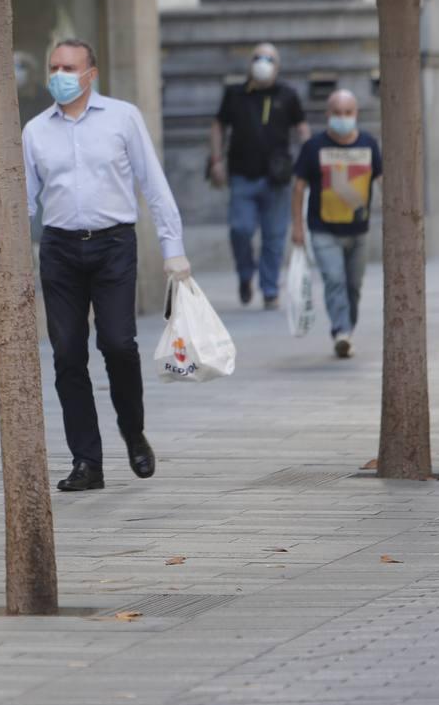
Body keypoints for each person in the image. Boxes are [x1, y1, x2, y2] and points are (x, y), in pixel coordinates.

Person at [24, 39, 191, 493]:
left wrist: (173, 248)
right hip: (59, 249)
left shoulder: (123, 117)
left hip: (114, 243)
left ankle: (133, 431)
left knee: (118, 343)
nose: (59, 73)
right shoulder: (35, 131)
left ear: (90, 73)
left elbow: (152, 183)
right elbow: (22, 199)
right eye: (54, 66)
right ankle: (86, 460)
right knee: (67, 354)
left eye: (69, 67)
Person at [209, 42, 309, 309]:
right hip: (242, 175)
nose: (263, 62)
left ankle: (269, 289)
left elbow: (302, 129)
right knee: (240, 230)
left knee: (274, 237)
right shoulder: (235, 94)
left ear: (277, 66)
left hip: (277, 178)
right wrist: (216, 160)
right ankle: (245, 275)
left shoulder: (287, 95)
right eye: (258, 57)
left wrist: (307, 161)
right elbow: (218, 125)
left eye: (269, 58)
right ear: (249, 63)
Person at [291, 90, 382, 359]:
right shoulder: (314, 147)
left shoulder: (368, 144)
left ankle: (347, 330)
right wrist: (297, 227)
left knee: (354, 285)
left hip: (358, 230)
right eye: (337, 113)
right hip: (323, 229)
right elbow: (298, 188)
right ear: (327, 115)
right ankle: (340, 331)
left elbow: (382, 178)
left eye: (348, 112)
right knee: (334, 280)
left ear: (356, 114)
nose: (343, 118)